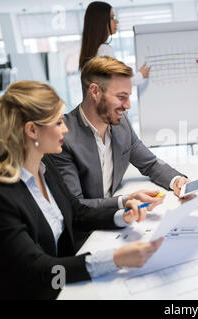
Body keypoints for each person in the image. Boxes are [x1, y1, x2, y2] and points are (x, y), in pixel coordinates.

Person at [0, 80, 164, 299]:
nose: (66, 129)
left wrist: (121, 216)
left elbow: (76, 212)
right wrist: (114, 259)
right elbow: (37, 271)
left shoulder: (45, 165)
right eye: (58, 122)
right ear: (32, 130)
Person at [51, 56, 189, 212]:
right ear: (95, 91)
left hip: (117, 221)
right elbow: (75, 206)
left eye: (129, 96)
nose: (128, 106)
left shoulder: (121, 123)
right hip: (88, 232)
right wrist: (124, 202)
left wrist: (176, 180)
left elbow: (150, 164)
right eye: (121, 97)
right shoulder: (62, 138)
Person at [78, 1, 150, 84]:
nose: (116, 21)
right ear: (101, 22)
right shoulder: (104, 50)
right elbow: (117, 82)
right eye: (112, 18)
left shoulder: (91, 52)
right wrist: (141, 75)